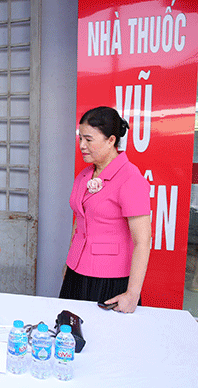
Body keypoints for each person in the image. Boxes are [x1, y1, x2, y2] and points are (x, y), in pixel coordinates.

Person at [59, 106, 151, 314]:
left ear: (111, 140)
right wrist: (69, 262)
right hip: (76, 271)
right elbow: (80, 221)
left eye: (89, 140)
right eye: (80, 138)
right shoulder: (85, 174)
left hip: (108, 278)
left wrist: (132, 293)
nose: (82, 145)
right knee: (70, 334)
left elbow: (142, 241)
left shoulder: (130, 178)